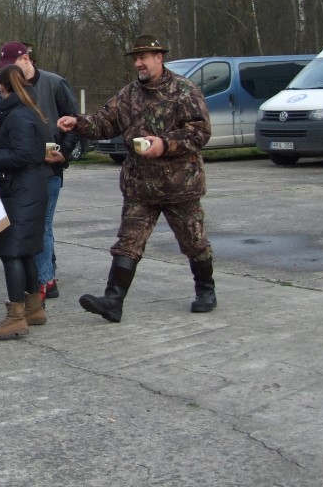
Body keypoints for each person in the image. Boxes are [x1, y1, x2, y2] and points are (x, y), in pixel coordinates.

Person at [57, 34, 216, 323]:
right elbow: (104, 123)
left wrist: (165, 144)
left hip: (180, 185)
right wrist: (77, 122)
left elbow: (200, 132)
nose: (139, 63)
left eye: (144, 57)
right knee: (127, 243)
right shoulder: (128, 95)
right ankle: (113, 300)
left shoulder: (184, 91)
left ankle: (206, 290)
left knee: (194, 242)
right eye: (136, 59)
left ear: (159, 58)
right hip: (140, 186)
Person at [0, 66, 50, 338]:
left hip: (20, 191)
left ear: (2, 86)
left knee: (11, 252)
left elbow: (22, 155)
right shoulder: (26, 110)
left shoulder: (17, 116)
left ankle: (16, 317)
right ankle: (34, 308)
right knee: (24, 251)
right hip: (28, 188)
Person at [0, 41, 78, 301]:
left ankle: (44, 282)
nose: (8, 71)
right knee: (34, 228)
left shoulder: (55, 83)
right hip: (22, 173)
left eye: (10, 65)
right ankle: (44, 276)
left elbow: (75, 121)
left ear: (25, 59)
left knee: (42, 226)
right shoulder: (8, 92)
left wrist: (64, 153)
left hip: (49, 170)